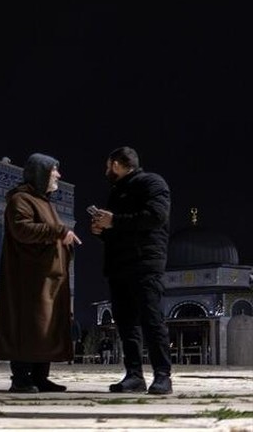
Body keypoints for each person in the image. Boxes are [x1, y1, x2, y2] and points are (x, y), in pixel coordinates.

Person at [0, 153, 81, 393]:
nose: (58, 175)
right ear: (40, 174)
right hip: (28, 281)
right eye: (54, 171)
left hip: (47, 279)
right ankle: (21, 378)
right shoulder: (20, 200)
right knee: (28, 327)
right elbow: (22, 229)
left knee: (45, 328)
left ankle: (41, 377)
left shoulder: (43, 202)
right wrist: (59, 231)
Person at [90, 146, 173, 395]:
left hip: (145, 263)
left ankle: (162, 376)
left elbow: (156, 217)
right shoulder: (117, 192)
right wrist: (102, 231)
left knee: (151, 319)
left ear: (116, 164)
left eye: (107, 167)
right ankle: (134, 375)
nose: (106, 172)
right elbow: (120, 231)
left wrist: (114, 221)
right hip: (119, 267)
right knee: (127, 324)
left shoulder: (152, 183)